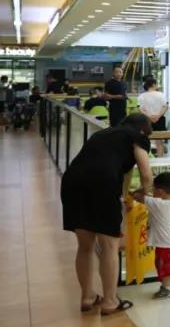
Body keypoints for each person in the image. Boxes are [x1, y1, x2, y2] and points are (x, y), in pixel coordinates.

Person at [60, 112, 154, 316]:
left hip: (72, 182)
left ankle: (87, 296)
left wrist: (123, 199)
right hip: (102, 184)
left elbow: (125, 172)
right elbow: (146, 174)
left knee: (84, 246)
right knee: (109, 246)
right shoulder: (137, 137)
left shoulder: (104, 134)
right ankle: (110, 301)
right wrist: (146, 193)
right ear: (142, 130)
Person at [130, 172, 170, 299]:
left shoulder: (158, 204)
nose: (152, 191)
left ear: (161, 192)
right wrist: (150, 189)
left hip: (166, 244)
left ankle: (167, 289)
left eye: (154, 189)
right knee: (168, 267)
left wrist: (141, 189)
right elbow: (149, 197)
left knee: (165, 268)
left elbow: (137, 196)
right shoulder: (168, 202)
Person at [138, 78, 169, 155]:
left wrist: (149, 116)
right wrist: (158, 116)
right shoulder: (161, 95)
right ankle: (160, 159)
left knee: (146, 140)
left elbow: (140, 109)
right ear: (153, 84)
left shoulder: (142, 96)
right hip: (160, 120)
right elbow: (165, 107)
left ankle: (147, 159)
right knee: (159, 141)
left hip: (146, 120)